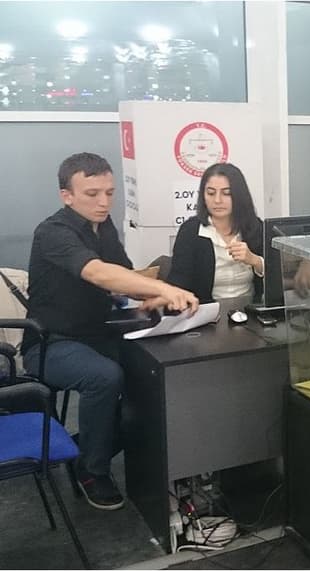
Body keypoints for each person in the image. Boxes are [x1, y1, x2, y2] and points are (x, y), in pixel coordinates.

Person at [22, 152, 199, 510]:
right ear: (66, 196)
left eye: (109, 192)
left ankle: (92, 445)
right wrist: (162, 289)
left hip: (100, 334)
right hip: (51, 343)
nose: (104, 202)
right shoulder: (53, 232)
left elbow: (124, 278)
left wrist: (154, 291)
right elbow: (98, 273)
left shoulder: (103, 228)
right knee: (105, 377)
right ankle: (91, 469)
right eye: (92, 194)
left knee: (155, 373)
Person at [167, 162, 264, 303]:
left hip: (251, 310)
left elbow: (276, 278)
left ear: (239, 196)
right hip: (206, 311)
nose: (217, 200)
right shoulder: (191, 231)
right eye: (211, 193)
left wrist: (255, 260)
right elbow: (178, 284)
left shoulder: (255, 227)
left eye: (226, 193)